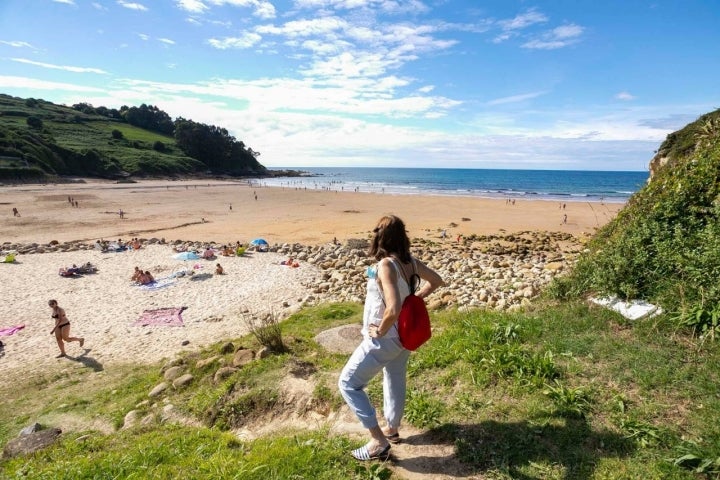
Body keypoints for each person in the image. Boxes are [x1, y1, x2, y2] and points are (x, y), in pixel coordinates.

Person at [338, 215, 444, 461]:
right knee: (394, 378)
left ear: (380, 237)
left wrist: (381, 330)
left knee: (348, 383)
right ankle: (392, 428)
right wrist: (417, 299)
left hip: (387, 338)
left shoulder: (386, 265)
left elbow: (393, 307)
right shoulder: (410, 262)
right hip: (404, 338)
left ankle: (377, 441)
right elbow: (437, 281)